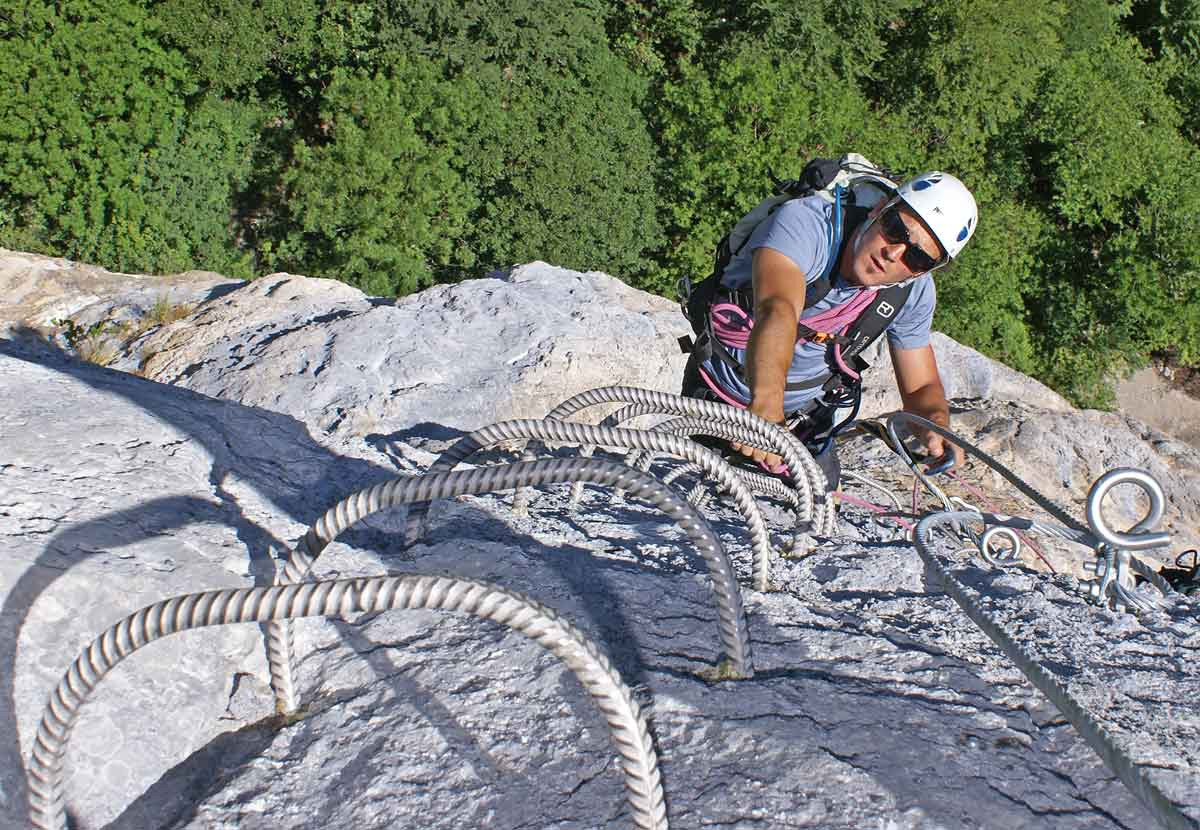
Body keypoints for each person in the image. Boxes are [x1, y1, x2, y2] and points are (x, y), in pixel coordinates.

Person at [681, 170, 977, 488]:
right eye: (895, 230)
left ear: (924, 271)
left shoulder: (913, 292)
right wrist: (767, 409)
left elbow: (920, 388)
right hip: (723, 397)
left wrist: (935, 424)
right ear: (880, 209)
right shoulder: (808, 225)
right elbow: (778, 310)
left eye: (916, 257)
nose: (893, 254)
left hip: (804, 421)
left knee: (817, 522)